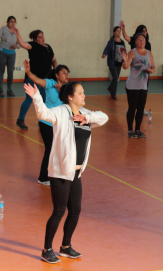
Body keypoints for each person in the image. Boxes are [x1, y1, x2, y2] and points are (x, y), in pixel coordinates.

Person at [24, 81, 108, 264]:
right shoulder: (61, 112)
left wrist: (88, 119)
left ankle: (65, 246)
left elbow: (104, 117)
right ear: (70, 97)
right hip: (60, 172)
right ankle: (46, 250)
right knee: (59, 211)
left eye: (83, 92)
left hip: (76, 173)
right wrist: (37, 98)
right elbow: (43, 113)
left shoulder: (85, 114)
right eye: (80, 93)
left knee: (75, 210)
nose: (84, 95)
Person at [23, 60, 70, 185]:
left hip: (59, 123)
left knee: (58, 149)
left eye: (67, 73)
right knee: (49, 149)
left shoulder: (67, 88)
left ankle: (55, 173)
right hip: (47, 122)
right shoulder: (50, 83)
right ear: (57, 75)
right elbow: (37, 80)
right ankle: (43, 177)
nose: (66, 75)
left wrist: (63, 91)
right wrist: (28, 72)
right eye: (64, 73)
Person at [13, 27, 57, 130]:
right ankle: (20, 120)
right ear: (35, 39)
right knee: (29, 99)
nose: (42, 38)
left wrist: (56, 70)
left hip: (45, 80)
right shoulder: (33, 46)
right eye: (40, 37)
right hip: (33, 78)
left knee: (44, 100)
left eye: (43, 36)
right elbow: (23, 44)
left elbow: (54, 59)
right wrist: (17, 34)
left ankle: (43, 121)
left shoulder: (48, 47)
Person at [122, 33, 155, 138]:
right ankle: (130, 130)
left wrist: (151, 70)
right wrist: (124, 59)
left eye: (143, 39)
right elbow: (126, 66)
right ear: (136, 42)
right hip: (132, 85)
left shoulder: (149, 53)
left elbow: (153, 67)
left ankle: (137, 130)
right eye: (139, 40)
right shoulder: (132, 52)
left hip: (143, 85)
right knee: (132, 108)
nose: (141, 41)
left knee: (141, 109)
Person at [120, 21, 151, 114]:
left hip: (145, 72)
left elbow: (149, 57)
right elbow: (126, 37)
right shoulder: (134, 40)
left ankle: (141, 107)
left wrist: (150, 68)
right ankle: (131, 107)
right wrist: (123, 29)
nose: (145, 32)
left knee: (144, 90)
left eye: (146, 31)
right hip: (135, 70)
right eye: (143, 31)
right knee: (134, 92)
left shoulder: (147, 44)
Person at [0, 16, 19, 97]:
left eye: (14, 22)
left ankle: (9, 89)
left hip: (12, 54)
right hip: (2, 53)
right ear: (8, 22)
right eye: (11, 22)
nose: (13, 23)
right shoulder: (3, 29)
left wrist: (17, 46)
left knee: (11, 72)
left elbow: (20, 42)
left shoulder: (16, 31)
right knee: (1, 71)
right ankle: (1, 90)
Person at [102, 26, 126, 100]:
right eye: (118, 31)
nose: (119, 32)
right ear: (114, 32)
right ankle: (114, 94)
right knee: (115, 78)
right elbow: (107, 48)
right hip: (112, 63)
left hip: (119, 63)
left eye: (120, 31)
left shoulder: (122, 42)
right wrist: (104, 53)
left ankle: (110, 88)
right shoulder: (111, 41)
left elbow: (124, 51)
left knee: (116, 78)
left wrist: (126, 58)